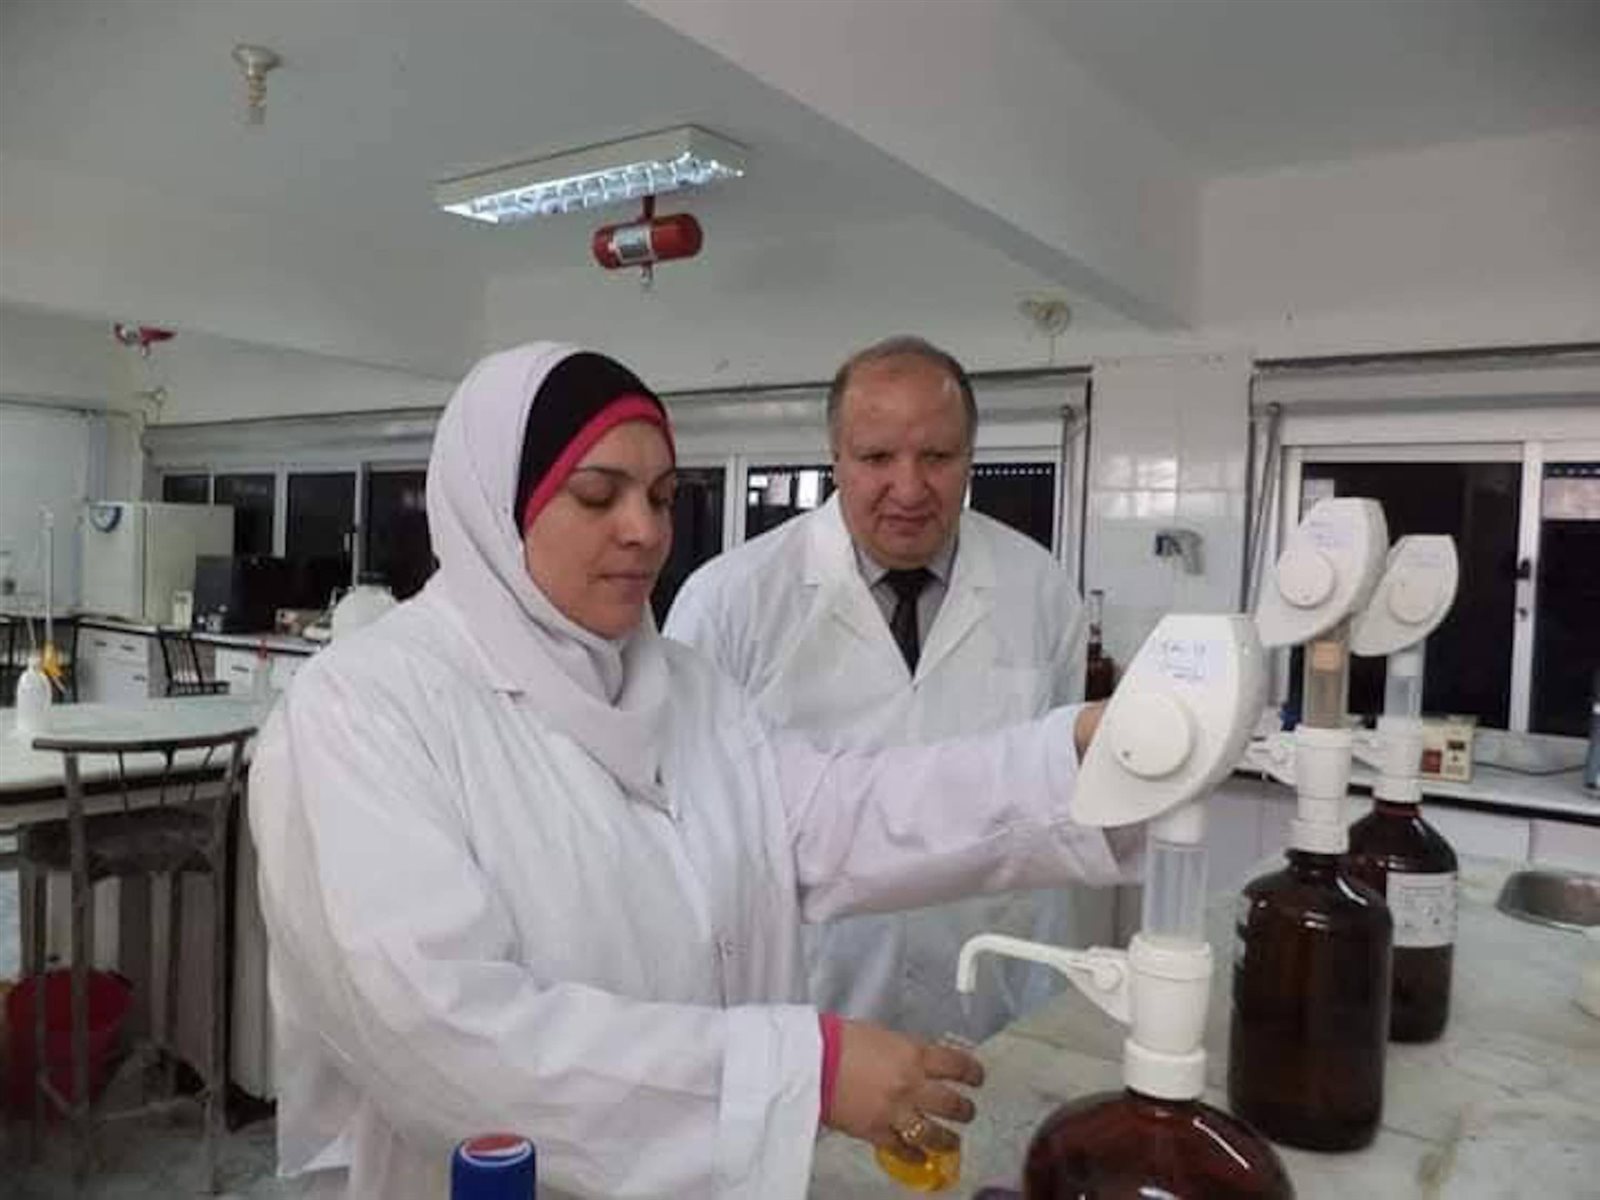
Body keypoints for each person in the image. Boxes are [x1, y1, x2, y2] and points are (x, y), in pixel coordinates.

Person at [249, 343, 1137, 1200]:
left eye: (663, 497)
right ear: (498, 507)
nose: (645, 531)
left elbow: (848, 811)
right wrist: (801, 1075)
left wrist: (1073, 758)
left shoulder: (685, 690)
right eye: (598, 495)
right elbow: (440, 1034)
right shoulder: (367, 708)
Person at [666, 335, 1108, 1041]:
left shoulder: (1039, 589)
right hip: (810, 1006)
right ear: (836, 458)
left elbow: (1056, 792)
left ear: (970, 456)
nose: (908, 488)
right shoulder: (731, 601)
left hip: (991, 994)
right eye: (876, 458)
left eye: (937, 456)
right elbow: (690, 829)